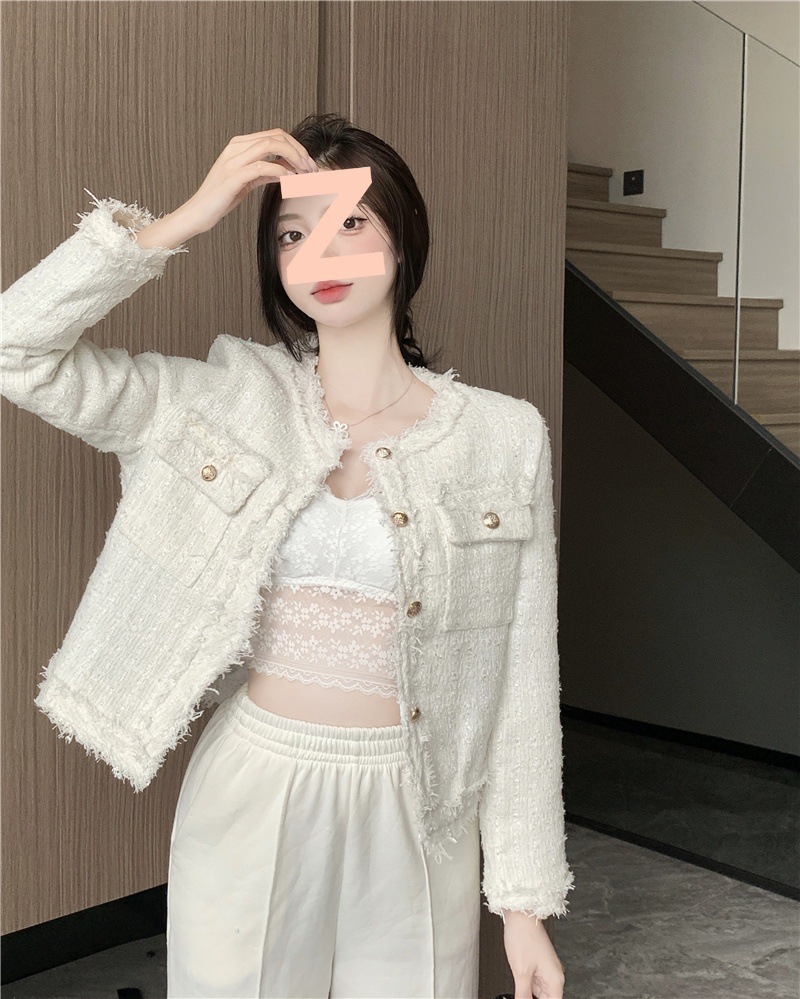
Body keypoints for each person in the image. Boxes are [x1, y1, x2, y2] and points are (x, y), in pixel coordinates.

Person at [1, 113, 573, 998]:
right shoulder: (220, 399)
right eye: (292, 233)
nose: (320, 252)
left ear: (404, 237)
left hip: (424, 807)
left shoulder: (503, 436)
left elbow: (522, 680)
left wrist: (524, 903)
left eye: (352, 221)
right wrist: (183, 219)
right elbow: (17, 351)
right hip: (255, 790)